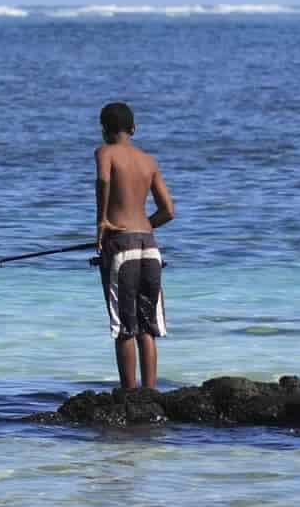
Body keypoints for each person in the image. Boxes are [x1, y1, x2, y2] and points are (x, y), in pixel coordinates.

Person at [95, 100, 174, 391]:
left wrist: (102, 222)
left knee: (125, 328)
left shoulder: (105, 152)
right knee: (147, 326)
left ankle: (129, 393)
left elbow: (104, 179)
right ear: (133, 129)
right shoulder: (149, 161)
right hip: (150, 248)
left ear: (104, 129)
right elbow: (168, 210)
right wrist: (142, 227)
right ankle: (150, 393)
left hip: (122, 249)